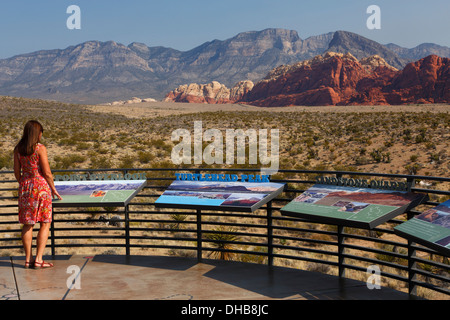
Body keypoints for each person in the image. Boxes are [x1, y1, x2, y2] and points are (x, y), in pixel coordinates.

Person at [13, 120, 62, 269]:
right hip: (41, 187)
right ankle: (39, 259)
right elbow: (47, 172)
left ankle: (28, 259)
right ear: (37, 133)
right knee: (45, 222)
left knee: (28, 224)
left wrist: (25, 182)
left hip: (25, 188)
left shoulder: (18, 149)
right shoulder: (40, 148)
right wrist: (53, 188)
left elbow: (16, 172)